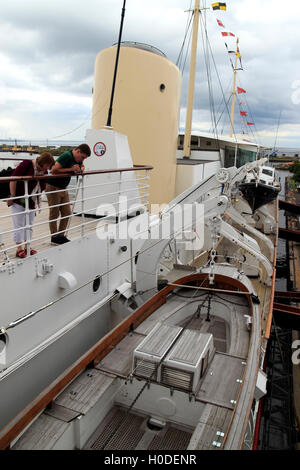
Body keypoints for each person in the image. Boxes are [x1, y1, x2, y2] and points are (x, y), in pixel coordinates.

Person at [7, 152, 55, 258]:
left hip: (31, 201)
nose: (48, 168)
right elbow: (13, 179)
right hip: (19, 199)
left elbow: (43, 185)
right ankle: (19, 248)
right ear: (43, 162)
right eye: (48, 165)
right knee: (19, 224)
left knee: (29, 225)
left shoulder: (44, 171)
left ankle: (27, 246)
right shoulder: (27, 164)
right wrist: (12, 196)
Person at [45, 144, 91, 245]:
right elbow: (54, 170)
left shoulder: (77, 159)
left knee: (67, 212)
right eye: (82, 157)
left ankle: (61, 235)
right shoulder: (67, 156)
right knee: (54, 213)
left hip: (63, 187)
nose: (82, 159)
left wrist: (81, 168)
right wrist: (71, 169)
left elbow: (81, 166)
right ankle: (54, 237)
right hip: (53, 186)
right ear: (78, 151)